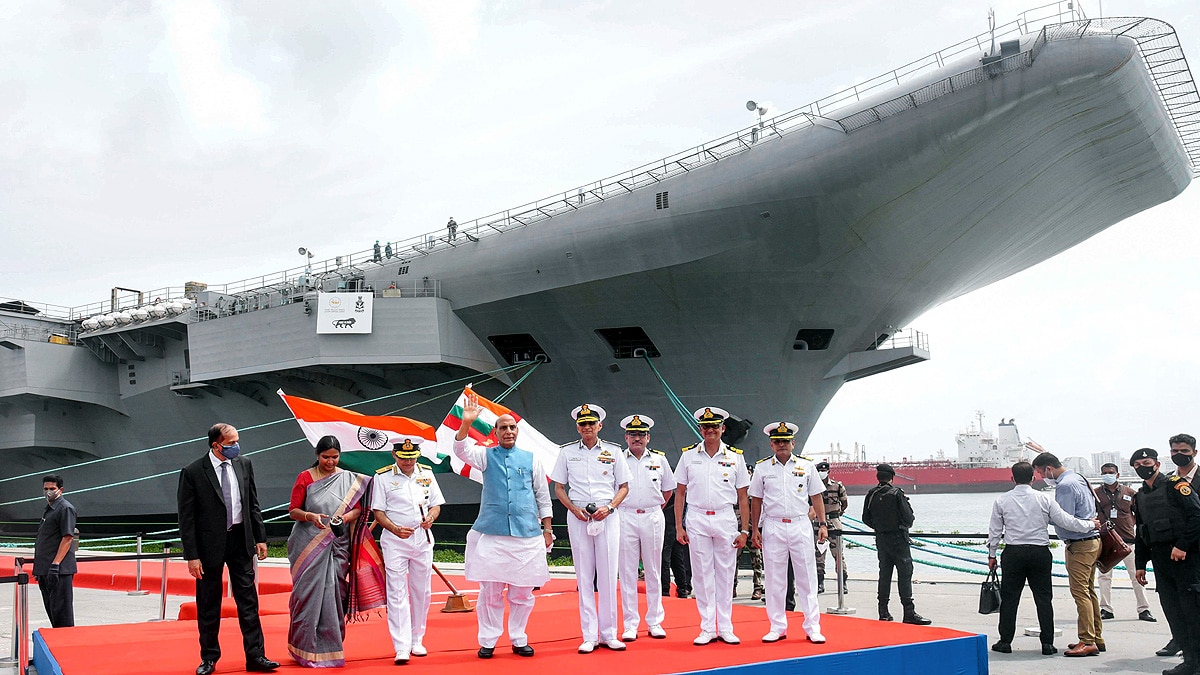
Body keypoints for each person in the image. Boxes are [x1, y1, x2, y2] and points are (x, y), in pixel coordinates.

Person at [453, 396, 554, 659]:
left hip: (526, 535)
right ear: (495, 432)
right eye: (503, 428)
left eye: (512, 427)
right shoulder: (486, 457)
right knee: (491, 593)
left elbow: (542, 496)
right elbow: (461, 450)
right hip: (493, 534)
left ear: (517, 431)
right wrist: (466, 423)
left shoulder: (532, 459)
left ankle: (519, 638)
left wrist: (547, 529)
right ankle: (488, 640)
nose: (508, 431)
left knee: (522, 593)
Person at [177, 423, 280, 675]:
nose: (236, 446)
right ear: (216, 445)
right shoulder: (192, 472)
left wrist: (260, 537)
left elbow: (252, 503)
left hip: (240, 541)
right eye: (231, 443)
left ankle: (256, 656)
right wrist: (192, 555)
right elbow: (186, 517)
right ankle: (209, 658)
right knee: (208, 603)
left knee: (248, 602)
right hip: (208, 546)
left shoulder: (244, 464)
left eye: (237, 442)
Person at [986, 461, 1098, 656]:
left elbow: (994, 531)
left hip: (1013, 552)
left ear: (1012, 478)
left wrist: (992, 555)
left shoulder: (1002, 501)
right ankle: (1047, 643)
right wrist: (1090, 525)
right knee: (1044, 599)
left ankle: (1005, 641)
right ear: (1033, 478)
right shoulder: (1044, 499)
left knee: (1010, 599)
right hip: (1039, 552)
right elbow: (1065, 521)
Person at [286, 436, 379, 667]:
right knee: (306, 596)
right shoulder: (305, 477)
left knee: (334, 595)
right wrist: (311, 516)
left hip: (337, 544)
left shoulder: (347, 478)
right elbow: (293, 510)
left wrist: (343, 518)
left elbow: (357, 511)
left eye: (335, 457)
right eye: (325, 457)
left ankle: (330, 649)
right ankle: (302, 648)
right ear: (317, 455)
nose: (330, 461)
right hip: (308, 544)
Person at [551, 404, 631, 653]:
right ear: (578, 427)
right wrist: (574, 510)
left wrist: (609, 508)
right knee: (584, 576)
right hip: (578, 517)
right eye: (583, 424)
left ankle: (608, 633)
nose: (587, 427)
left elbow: (624, 486)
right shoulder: (566, 453)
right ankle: (589, 635)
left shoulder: (614, 452)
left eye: (591, 423)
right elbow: (559, 488)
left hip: (607, 517)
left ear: (600, 425)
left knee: (608, 575)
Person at [674, 406, 751, 645]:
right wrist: (679, 526)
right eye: (706, 427)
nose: (710, 430)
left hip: (725, 517)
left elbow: (742, 496)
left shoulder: (735, 457)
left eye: (715, 427)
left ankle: (725, 626)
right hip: (696, 517)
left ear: (723, 429)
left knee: (726, 574)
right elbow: (680, 493)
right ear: (700, 429)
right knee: (701, 574)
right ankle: (707, 627)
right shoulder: (688, 456)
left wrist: (745, 530)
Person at [749, 422, 827, 644]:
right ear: (771, 444)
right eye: (777, 441)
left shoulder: (806, 466)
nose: (781, 445)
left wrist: (822, 524)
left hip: (800, 523)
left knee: (807, 579)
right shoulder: (763, 468)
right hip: (773, 525)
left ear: (793, 443)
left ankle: (813, 626)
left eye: (785, 441)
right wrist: (755, 529)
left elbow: (817, 497)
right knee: (775, 579)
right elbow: (756, 500)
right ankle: (777, 626)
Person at [372, 437, 445, 664]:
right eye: (403, 457)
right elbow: (378, 512)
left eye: (412, 456)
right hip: (395, 542)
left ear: (418, 454)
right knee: (396, 592)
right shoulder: (382, 477)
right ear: (394, 455)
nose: (408, 461)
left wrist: (431, 518)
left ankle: (417, 639)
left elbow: (436, 504)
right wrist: (394, 529)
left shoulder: (426, 473)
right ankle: (401, 646)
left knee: (422, 590)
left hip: (422, 540)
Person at [1131, 447, 1200, 675]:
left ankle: (1195, 662)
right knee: (1173, 610)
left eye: (1146, 462)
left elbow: (1197, 516)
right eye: (1137, 466)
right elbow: (1141, 532)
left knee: (1192, 611)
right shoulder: (1139, 496)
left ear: (1157, 464)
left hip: (1184, 557)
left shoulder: (1175, 486)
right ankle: (1188, 659)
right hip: (1161, 560)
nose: (1142, 467)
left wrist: (1182, 545)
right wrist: (1141, 564)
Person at [1031, 451, 1103, 656]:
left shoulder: (1064, 486)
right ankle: (1096, 636)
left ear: (1049, 469)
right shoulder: (1078, 478)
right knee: (1089, 591)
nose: (1041, 477)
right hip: (1092, 541)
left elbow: (1064, 518)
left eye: (1040, 473)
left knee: (1080, 593)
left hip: (1079, 544)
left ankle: (1087, 640)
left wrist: (1043, 514)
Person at [615, 414, 676, 641]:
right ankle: (630, 624)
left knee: (653, 569)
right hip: (626, 516)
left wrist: (653, 506)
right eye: (633, 434)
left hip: (651, 515)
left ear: (648, 437)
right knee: (628, 571)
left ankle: (655, 621)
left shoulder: (659, 460)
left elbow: (668, 490)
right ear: (626, 437)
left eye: (641, 434)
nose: (637, 438)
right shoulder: (618, 459)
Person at [862, 463, 931, 624]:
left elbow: (865, 518)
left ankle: (883, 611)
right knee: (905, 574)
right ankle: (909, 612)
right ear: (892, 477)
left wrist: (879, 528)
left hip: (881, 540)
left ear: (878, 477)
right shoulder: (897, 494)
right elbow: (909, 518)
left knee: (884, 575)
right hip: (899, 540)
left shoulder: (871, 494)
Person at [1093, 462, 1154, 622]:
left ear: (1118, 475)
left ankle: (1144, 609)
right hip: (1106, 541)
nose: (1108, 475)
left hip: (1128, 541)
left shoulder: (1130, 492)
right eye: (1105, 472)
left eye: (1111, 472)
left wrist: (1130, 523)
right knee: (1104, 576)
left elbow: (1139, 514)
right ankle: (1106, 608)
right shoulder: (1096, 493)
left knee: (1137, 575)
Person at [1159, 434, 1198, 659]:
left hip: (1194, 548)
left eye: (1183, 451)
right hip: (1172, 552)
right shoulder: (1167, 480)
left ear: (1194, 452)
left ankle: (1194, 650)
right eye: (1174, 451)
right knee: (1173, 601)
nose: (1178, 455)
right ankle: (1179, 639)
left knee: (1194, 601)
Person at [33, 474, 76, 628]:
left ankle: (66, 645)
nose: (48, 492)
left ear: (61, 490)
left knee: (62, 615)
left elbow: (67, 537)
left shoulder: (65, 508)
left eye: (52, 488)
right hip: (46, 569)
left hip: (58, 570)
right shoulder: (50, 509)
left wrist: (55, 564)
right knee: (52, 611)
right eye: (45, 489)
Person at [815, 460, 849, 594]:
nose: (822, 473)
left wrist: (837, 513)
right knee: (818, 555)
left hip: (834, 522)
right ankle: (820, 583)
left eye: (824, 471)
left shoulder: (837, 486)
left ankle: (843, 582)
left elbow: (844, 503)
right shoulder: (814, 486)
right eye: (820, 471)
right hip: (819, 524)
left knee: (838, 554)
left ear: (828, 471)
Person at [661, 491, 692, 598]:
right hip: (675, 521)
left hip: (668, 520)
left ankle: (665, 589)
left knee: (666, 557)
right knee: (677, 558)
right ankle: (682, 588)